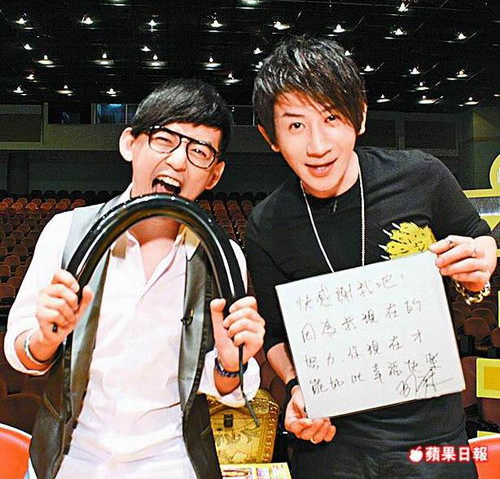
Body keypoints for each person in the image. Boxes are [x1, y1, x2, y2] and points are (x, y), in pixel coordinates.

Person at [246, 35, 497, 478]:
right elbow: (276, 336)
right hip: (332, 446)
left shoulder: (421, 176)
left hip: (433, 438)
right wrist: (296, 387)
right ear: (271, 137)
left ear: (360, 116)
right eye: (296, 125)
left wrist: (482, 263)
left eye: (331, 117)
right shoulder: (267, 222)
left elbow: (480, 239)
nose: (318, 145)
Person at [4, 78, 265, 479]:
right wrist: (44, 340)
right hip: (69, 462)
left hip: (172, 463)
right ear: (130, 143)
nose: (178, 162)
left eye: (199, 152)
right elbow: (20, 351)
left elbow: (230, 387)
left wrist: (230, 364)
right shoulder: (66, 232)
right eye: (165, 140)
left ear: (215, 174)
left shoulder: (224, 257)